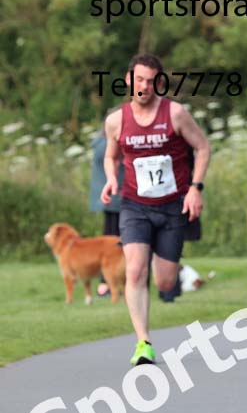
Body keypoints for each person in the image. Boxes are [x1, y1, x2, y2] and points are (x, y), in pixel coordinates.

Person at [101, 53, 211, 365]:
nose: (144, 86)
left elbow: (202, 148)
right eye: (139, 80)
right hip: (134, 205)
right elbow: (111, 156)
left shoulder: (175, 114)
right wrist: (110, 179)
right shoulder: (116, 120)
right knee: (134, 269)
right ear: (128, 80)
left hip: (172, 206)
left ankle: (162, 260)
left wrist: (195, 188)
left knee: (164, 282)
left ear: (158, 82)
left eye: (151, 81)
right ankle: (143, 343)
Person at [89, 115, 124, 297]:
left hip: (111, 200)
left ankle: (110, 281)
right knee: (113, 243)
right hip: (116, 200)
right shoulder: (107, 145)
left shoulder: (98, 142)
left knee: (114, 241)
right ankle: (107, 282)